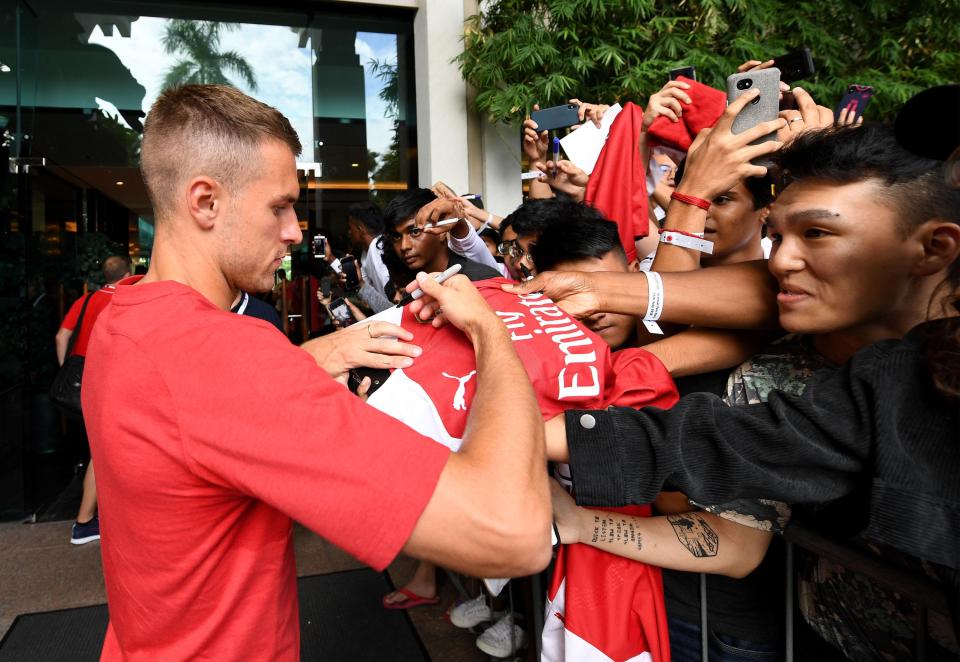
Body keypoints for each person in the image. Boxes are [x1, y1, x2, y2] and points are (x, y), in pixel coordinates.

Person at [82, 84, 552, 661]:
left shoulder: (123, 315)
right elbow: (514, 533)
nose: (295, 232)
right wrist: (490, 331)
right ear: (205, 202)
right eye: (279, 206)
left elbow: (188, 411)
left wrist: (310, 356)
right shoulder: (230, 358)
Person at [512, 121, 960, 659]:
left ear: (935, 247)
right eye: (778, 236)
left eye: (816, 233)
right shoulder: (780, 368)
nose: (780, 260)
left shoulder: (926, 374)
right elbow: (710, 445)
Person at [55, 254, 131, 545]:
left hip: (83, 381)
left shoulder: (85, 300)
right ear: (126, 274)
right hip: (110, 380)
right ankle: (84, 521)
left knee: (102, 447)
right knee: (104, 450)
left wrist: (68, 369)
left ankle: (94, 518)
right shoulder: (126, 299)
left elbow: (62, 336)